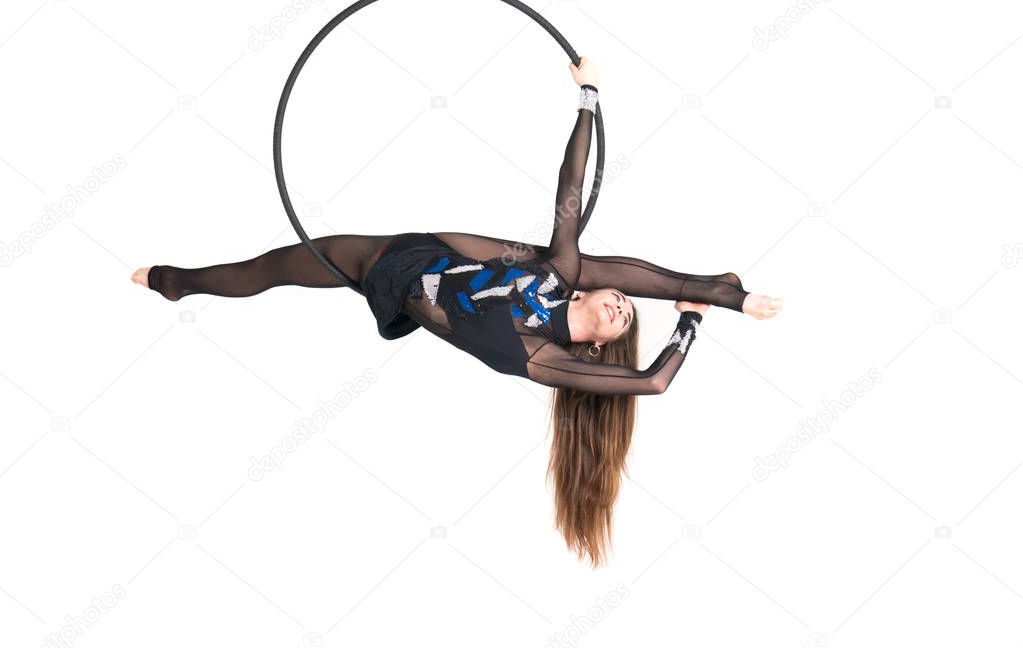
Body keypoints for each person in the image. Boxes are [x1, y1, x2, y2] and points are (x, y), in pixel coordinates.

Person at [132, 57, 782, 565]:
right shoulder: (559, 273)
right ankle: (174, 280)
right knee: (270, 268)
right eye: (618, 303)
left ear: (592, 346)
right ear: (587, 294)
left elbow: (652, 381)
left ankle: (171, 280)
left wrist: (691, 319)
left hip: (389, 282)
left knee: (287, 270)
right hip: (409, 248)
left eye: (622, 319)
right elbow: (570, 193)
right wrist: (588, 97)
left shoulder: (545, 359)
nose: (619, 306)